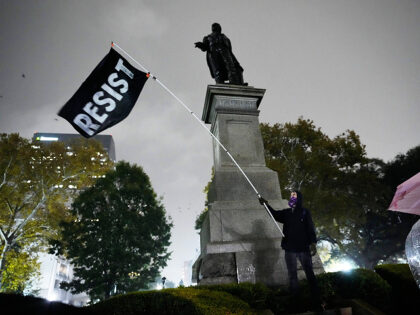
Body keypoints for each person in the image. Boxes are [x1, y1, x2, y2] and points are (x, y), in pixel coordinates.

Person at [259, 191, 323, 310]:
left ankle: (316, 299)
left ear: (299, 198)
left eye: (294, 196)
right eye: (291, 196)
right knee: (292, 275)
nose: (292, 198)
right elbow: (275, 215)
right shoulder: (287, 213)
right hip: (290, 249)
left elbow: (310, 227)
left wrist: (313, 243)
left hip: (303, 248)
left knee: (309, 273)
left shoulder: (305, 212)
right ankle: (295, 300)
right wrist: (266, 205)